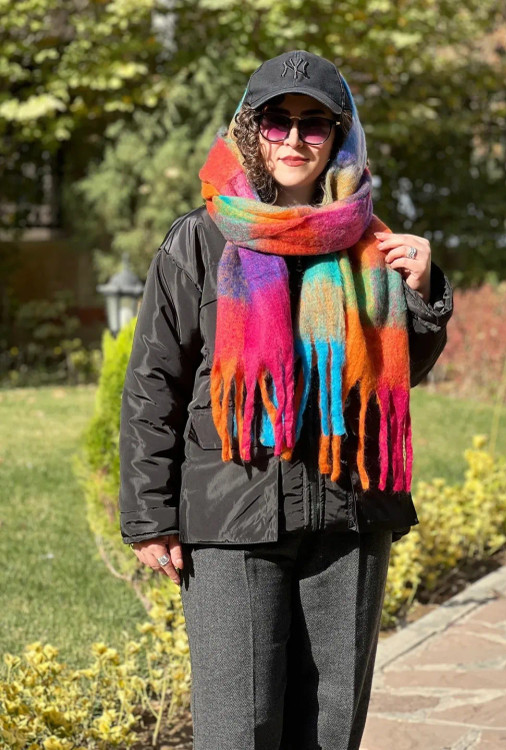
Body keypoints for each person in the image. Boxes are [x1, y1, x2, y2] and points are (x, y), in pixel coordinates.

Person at [119, 50, 453, 749]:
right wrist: (149, 516)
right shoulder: (200, 239)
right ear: (251, 130)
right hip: (232, 515)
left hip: (348, 511)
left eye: (314, 123)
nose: (295, 139)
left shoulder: (373, 242)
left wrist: (422, 297)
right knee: (238, 730)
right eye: (278, 120)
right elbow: (155, 381)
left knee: (329, 731)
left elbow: (396, 381)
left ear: (338, 136)